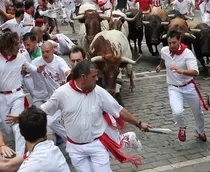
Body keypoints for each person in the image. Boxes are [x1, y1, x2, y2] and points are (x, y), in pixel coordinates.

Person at [8, 60, 151, 171]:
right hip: (75, 149)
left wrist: (139, 123)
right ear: (83, 77)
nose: (97, 79)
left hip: (97, 145)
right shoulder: (62, 93)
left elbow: (119, 111)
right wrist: (21, 117)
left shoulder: (99, 92)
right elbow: (43, 110)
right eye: (94, 76)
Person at [156, 29, 207, 142]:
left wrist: (181, 71)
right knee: (177, 112)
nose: (171, 45)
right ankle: (182, 126)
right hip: (173, 87)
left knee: (198, 113)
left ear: (179, 41)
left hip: (188, 86)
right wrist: (160, 66)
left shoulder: (187, 53)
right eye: (169, 43)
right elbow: (163, 58)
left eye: (174, 42)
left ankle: (200, 131)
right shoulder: (165, 50)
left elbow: (195, 72)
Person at [0, 32, 43, 156]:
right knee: (8, 129)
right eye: (17, 44)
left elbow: (32, 69)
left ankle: (20, 156)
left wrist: (38, 70)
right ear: (9, 45)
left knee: (16, 126)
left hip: (17, 95)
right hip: (2, 96)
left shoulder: (20, 58)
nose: (19, 46)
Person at [15, 106, 71, 171]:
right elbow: (7, 165)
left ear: (21, 132)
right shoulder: (51, 147)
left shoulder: (29, 167)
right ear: (46, 130)